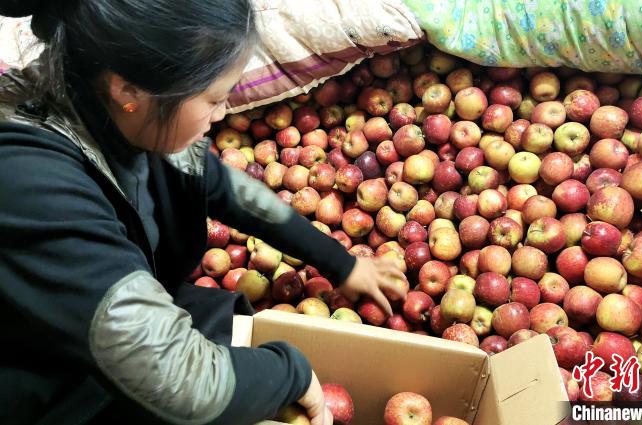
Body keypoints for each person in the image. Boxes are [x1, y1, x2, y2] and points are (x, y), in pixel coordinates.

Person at [0, 1, 407, 424]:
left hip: (117, 315)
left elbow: (220, 185)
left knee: (227, 323)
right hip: (47, 382)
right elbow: (179, 378)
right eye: (213, 98)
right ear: (129, 92)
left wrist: (339, 262)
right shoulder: (30, 183)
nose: (222, 114)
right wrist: (292, 373)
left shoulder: (118, 106)